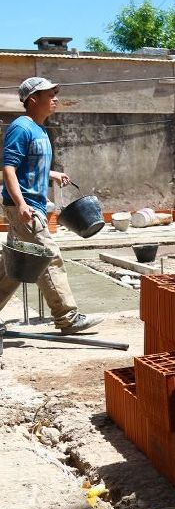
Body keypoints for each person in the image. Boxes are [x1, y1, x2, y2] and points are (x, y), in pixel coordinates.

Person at [0, 77, 103, 336]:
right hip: (24, 207)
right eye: (49, 94)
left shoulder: (41, 130)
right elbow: (9, 168)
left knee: (16, 265)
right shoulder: (21, 128)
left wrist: (52, 174)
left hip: (33, 204)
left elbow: (29, 167)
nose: (55, 98)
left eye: (55, 93)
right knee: (49, 256)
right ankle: (67, 318)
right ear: (33, 100)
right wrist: (22, 204)